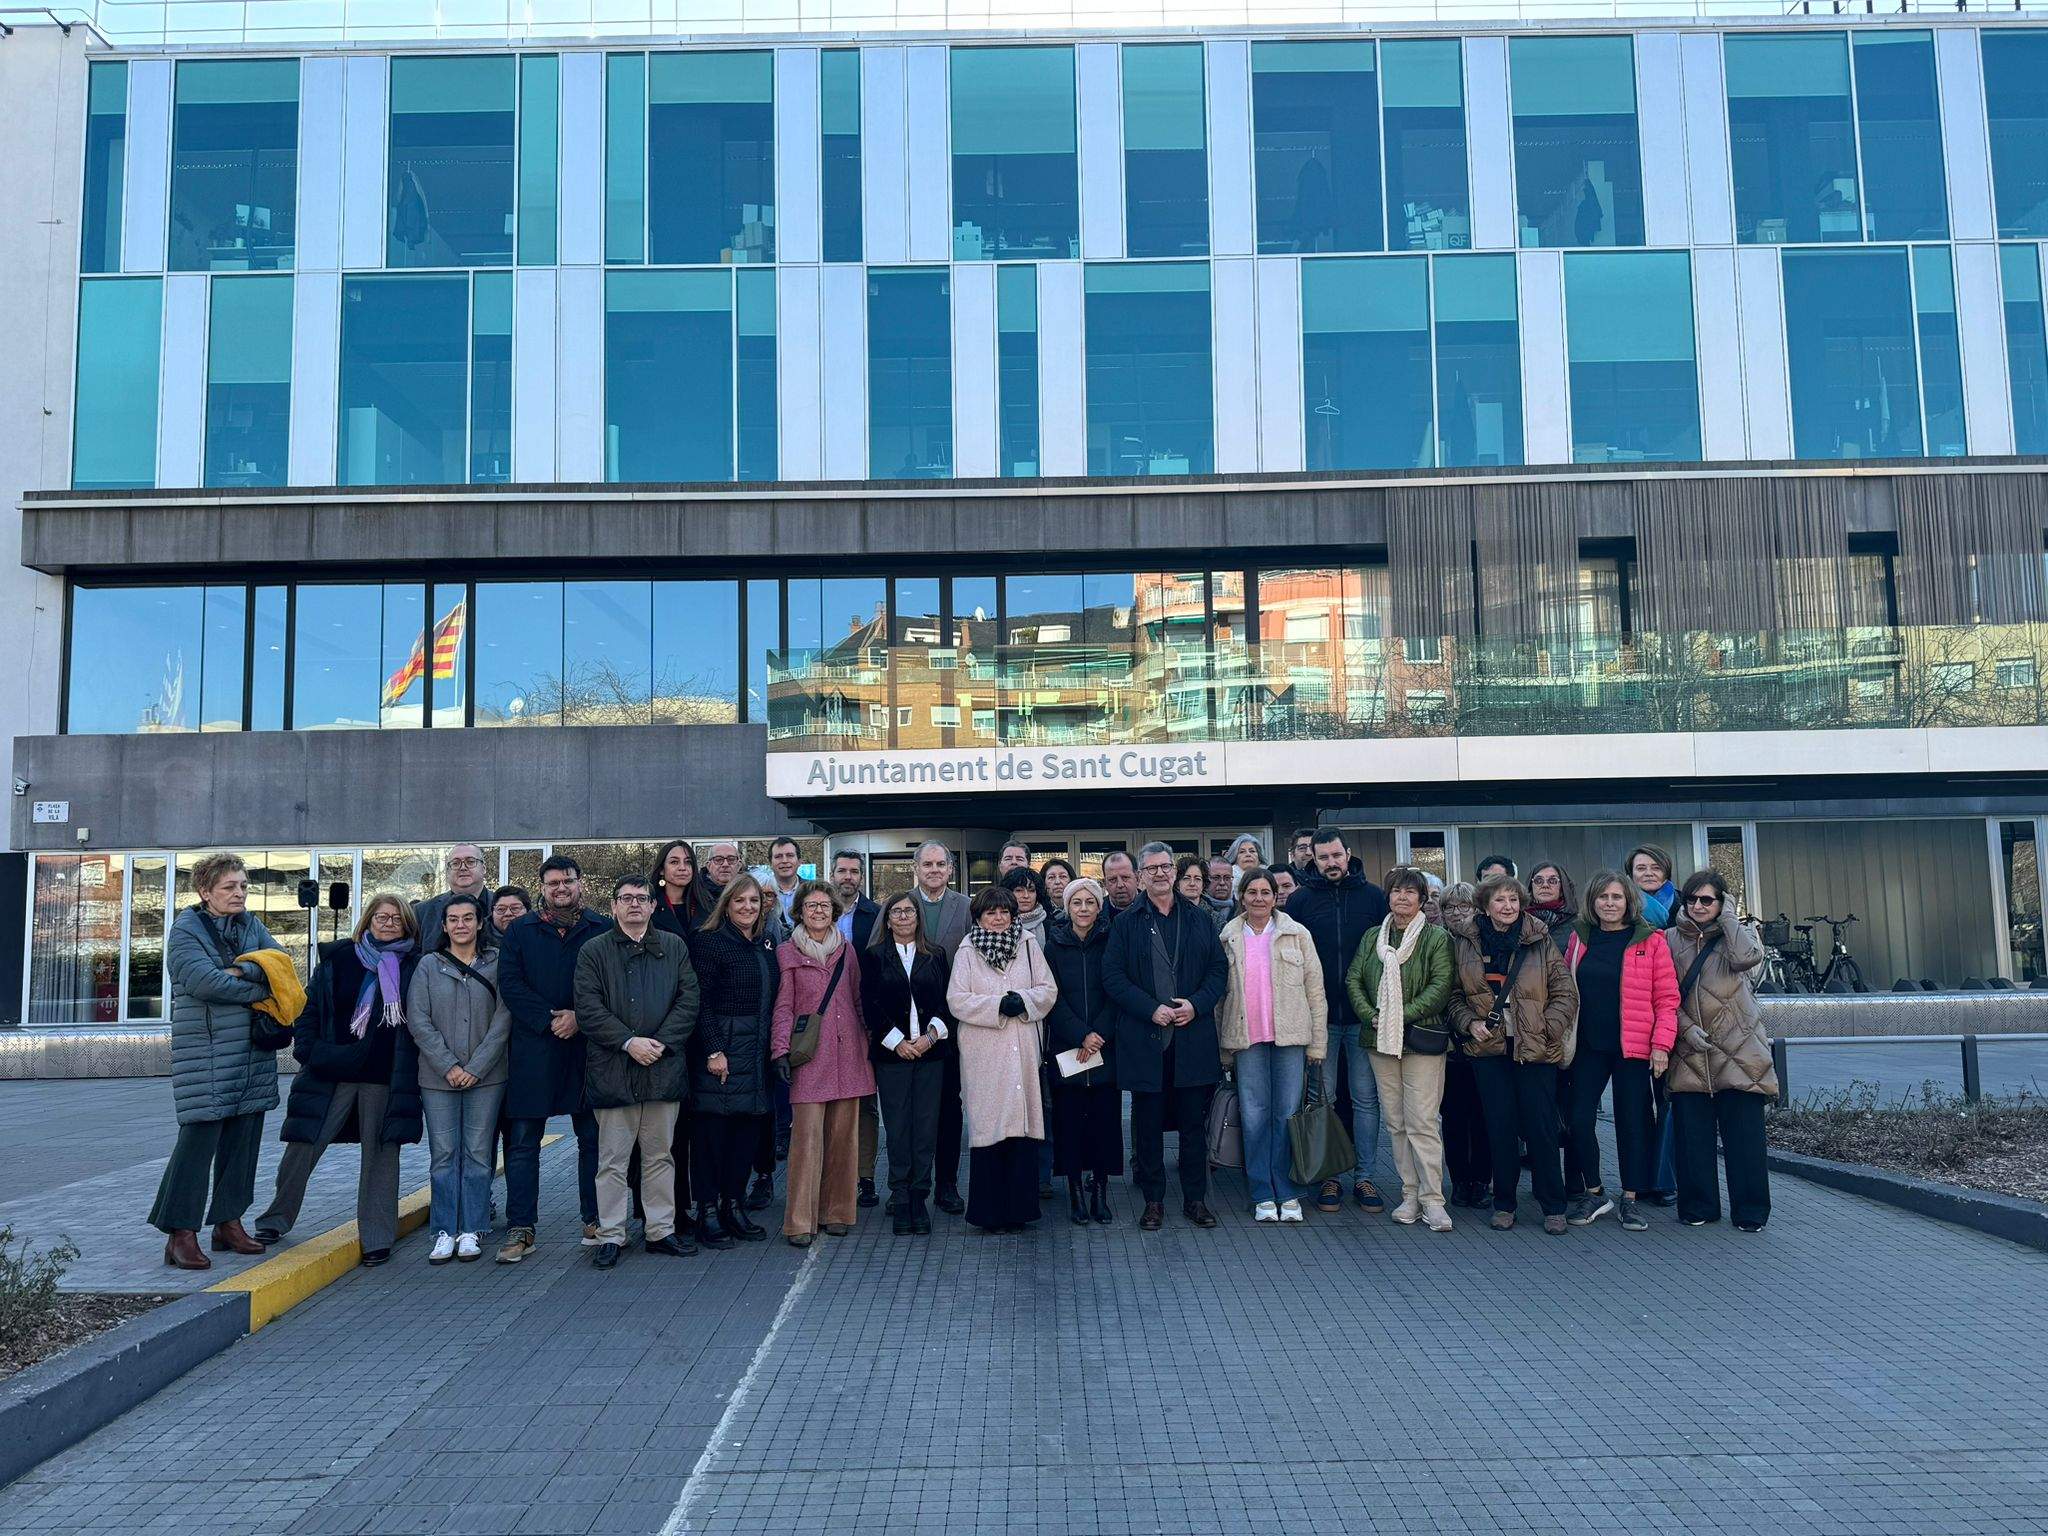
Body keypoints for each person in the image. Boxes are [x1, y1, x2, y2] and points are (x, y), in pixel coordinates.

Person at [252, 892, 423, 1267]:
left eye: (397, 918)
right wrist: (309, 1052)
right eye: (382, 917)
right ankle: (274, 1220)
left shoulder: (415, 964)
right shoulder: (340, 958)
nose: (389, 923)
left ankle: (377, 1238)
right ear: (368, 920)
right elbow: (310, 1008)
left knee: (381, 1160)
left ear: (408, 925)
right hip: (330, 1073)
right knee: (302, 1148)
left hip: (385, 1077)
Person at [151, 853, 285, 1270]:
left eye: (243, 886)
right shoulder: (185, 931)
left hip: (252, 1054)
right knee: (197, 1144)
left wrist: (240, 972)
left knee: (243, 1142)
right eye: (230, 887)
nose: (239, 893)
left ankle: (229, 1222)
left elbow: (281, 967)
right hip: (206, 1055)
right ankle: (180, 1233)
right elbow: (205, 982)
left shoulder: (251, 925)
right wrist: (258, 983)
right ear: (205, 891)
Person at [1103, 841, 1230, 1231]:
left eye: (1165, 867)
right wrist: (1149, 1009)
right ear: (1141, 876)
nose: (1159, 874)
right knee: (1148, 1126)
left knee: (1193, 1125)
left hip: (1192, 1037)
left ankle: (1195, 1200)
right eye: (1151, 868)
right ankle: (1153, 1200)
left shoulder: (1200, 919)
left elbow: (1218, 971)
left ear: (1174, 872)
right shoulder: (1126, 923)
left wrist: (1196, 1004)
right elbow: (1113, 977)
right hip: (1146, 1038)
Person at [574, 875, 700, 1268]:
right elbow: (588, 1008)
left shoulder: (673, 947)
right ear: (613, 906)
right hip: (613, 1070)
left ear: (652, 906)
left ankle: (660, 1231)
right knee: (612, 1159)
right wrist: (630, 1042)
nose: (634, 904)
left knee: (660, 1155)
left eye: (641, 898)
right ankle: (611, 1234)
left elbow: (689, 999)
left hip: (663, 1067)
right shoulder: (594, 950)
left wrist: (659, 1043)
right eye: (625, 898)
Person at [494, 855, 612, 1265]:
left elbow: (610, 983)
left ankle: (595, 1220)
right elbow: (511, 984)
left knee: (592, 1140)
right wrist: (550, 1021)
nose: (561, 888)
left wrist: (580, 1017)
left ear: (580, 883)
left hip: (586, 1049)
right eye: (553, 883)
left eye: (568, 881)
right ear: (542, 888)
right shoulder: (520, 930)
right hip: (534, 1049)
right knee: (523, 1143)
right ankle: (521, 1228)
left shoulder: (602, 927)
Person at [1445, 875, 1578, 1235]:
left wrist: (1547, 1028)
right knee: (1499, 1128)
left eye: (1514, 900)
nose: (1508, 907)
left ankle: (1553, 1205)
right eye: (1500, 900)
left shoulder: (1539, 938)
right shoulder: (1465, 942)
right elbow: (1454, 996)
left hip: (1535, 1047)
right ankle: (1504, 1203)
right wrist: (1469, 1023)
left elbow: (1565, 992)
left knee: (1541, 1128)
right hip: (1489, 1049)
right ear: (1485, 906)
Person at [1560, 870, 1678, 1233]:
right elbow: (1565, 989)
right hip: (1588, 1046)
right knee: (1579, 1120)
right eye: (1603, 897)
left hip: (1633, 1048)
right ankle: (1595, 1192)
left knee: (1633, 1123)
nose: (1609, 904)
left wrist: (1661, 1045)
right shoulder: (1579, 939)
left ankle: (1630, 1197)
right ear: (1592, 901)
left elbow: (1667, 999)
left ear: (1628, 902)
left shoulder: (1652, 941)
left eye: (1616, 897)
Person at [1283, 828, 1390, 1215]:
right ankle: (1328, 1176)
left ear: (1348, 853)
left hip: (1364, 1018)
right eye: (1323, 857)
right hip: (1320, 1019)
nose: (1331, 863)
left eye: (1336, 855)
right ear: (1312, 858)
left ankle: (1365, 1176)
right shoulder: (1299, 901)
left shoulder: (1374, 898)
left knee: (1365, 1100)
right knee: (1321, 1101)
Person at [1347, 867, 1457, 1232]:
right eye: (1396, 891)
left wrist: (1399, 1015)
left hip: (1420, 1038)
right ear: (1388, 897)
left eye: (1411, 892)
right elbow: (1354, 979)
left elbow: (1441, 985)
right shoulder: (1372, 937)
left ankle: (1433, 1200)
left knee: (1422, 1122)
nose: (1403, 897)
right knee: (1396, 1123)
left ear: (1422, 899)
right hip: (1380, 1039)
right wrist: (1371, 1015)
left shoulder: (1436, 937)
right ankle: (1409, 1195)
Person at [1665, 871, 1775, 1231]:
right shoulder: (1668, 939)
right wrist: (1685, 1028)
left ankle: (1751, 1211)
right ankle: (1698, 1206)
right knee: (1692, 1137)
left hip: (1739, 1047)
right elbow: (1662, 995)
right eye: (1692, 899)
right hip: (1690, 1049)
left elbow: (1747, 959)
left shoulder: (1738, 935)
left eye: (1707, 900)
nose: (1698, 906)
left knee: (1745, 1138)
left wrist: (1729, 918)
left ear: (1722, 901)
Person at [946, 885, 1058, 1233]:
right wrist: (997, 1006)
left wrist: (1022, 1001)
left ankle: (1020, 1211)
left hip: (1021, 1047)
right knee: (990, 1129)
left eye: (1004, 912)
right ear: (979, 917)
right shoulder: (967, 950)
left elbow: (1048, 989)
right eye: (990, 912)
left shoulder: (1028, 945)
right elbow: (957, 999)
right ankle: (988, 1213)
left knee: (1020, 1128)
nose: (998, 918)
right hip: (984, 1052)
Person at [404, 892, 508, 1266]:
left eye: (468, 918)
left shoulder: (497, 962)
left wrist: (476, 1066)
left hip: (487, 1076)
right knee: (444, 1154)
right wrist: (448, 1065)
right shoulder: (428, 965)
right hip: (437, 1078)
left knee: (478, 1153)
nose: (461, 925)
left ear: (480, 923)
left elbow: (503, 1019)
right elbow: (418, 1019)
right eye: (453, 919)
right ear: (444, 926)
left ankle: (473, 1228)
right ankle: (444, 1230)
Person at [1217, 871, 1326, 1223]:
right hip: (1246, 1039)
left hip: (1290, 1038)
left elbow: (1315, 992)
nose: (1259, 898)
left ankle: (1287, 1190)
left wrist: (1318, 1045)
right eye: (1252, 892)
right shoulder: (1228, 936)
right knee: (1254, 1116)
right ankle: (1262, 1191)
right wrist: (1224, 1048)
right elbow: (1220, 999)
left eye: (1266, 892)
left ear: (1276, 896)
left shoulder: (1297, 934)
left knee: (1286, 1114)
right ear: (1242, 896)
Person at [772, 881, 876, 1246]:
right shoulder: (786, 952)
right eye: (811, 905)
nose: (818, 911)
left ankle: (838, 1212)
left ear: (834, 911)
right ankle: (800, 1220)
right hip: (810, 1056)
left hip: (848, 1054)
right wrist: (779, 1050)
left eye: (825, 905)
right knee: (806, 1143)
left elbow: (858, 999)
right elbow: (783, 1006)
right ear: (799, 911)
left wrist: (869, 1044)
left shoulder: (847, 950)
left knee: (843, 1141)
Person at [684, 872, 778, 1249]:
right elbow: (700, 1000)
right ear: (726, 904)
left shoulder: (765, 944)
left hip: (756, 1055)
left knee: (745, 1136)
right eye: (739, 900)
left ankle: (733, 1205)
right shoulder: (709, 941)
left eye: (754, 900)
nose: (747, 907)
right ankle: (707, 1212)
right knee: (712, 1137)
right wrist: (713, 1050)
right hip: (721, 1055)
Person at [859, 891, 953, 1235]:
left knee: (925, 1127)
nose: (902, 916)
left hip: (931, 1053)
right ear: (887, 920)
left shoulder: (936, 955)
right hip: (892, 1055)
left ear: (918, 917)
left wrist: (930, 1037)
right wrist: (897, 1042)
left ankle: (918, 1197)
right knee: (898, 1127)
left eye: (908, 911)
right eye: (896, 912)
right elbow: (869, 1004)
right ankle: (899, 1196)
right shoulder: (873, 956)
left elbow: (947, 1002)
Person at [1042, 878, 1120, 1225]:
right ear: (1067, 907)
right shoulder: (1054, 945)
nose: (1083, 908)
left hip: (1105, 1047)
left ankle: (1100, 1191)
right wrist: (1080, 1034)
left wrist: (1097, 1034)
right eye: (1077, 902)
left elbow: (1117, 989)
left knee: (1104, 1124)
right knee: (1069, 1124)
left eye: (1090, 902)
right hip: (1068, 1046)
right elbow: (1051, 997)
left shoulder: (1112, 940)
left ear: (1099, 907)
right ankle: (1075, 1192)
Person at [909, 840, 972, 1215]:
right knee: (912, 1110)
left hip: (952, 1024)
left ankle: (947, 1185)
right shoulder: (899, 905)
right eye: (927, 864)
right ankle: (910, 1185)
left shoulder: (965, 907)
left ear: (950, 869)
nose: (934, 870)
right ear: (916, 868)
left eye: (940, 864)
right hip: (908, 1026)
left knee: (949, 1107)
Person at [1627, 843, 1683, 1206]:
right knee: (1637, 1104)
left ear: (1666, 870)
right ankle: (1640, 1177)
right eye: (1640, 868)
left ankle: (1664, 1179)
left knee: (1669, 1099)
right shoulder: (1621, 910)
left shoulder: (1685, 907)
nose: (1648, 873)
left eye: (1654, 867)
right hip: (1635, 1016)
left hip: (1675, 1013)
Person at [831, 850, 883, 1208]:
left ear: (861, 877)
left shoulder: (875, 915)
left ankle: (865, 1177)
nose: (847, 877)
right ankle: (835, 1176)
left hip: (863, 1017)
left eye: (854, 871)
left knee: (865, 1102)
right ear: (832, 873)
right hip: (824, 1019)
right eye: (842, 871)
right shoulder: (818, 910)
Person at [1433, 881, 1490, 1209]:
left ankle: (1481, 1180)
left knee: (1482, 1115)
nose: (1456, 913)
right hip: (1448, 1044)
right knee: (1453, 1116)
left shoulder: (1484, 940)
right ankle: (1459, 1180)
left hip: (1481, 1039)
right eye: (1449, 907)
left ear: (1476, 908)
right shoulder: (1438, 940)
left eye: (1463, 906)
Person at [414, 844, 492, 954]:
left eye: (470, 862)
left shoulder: (505, 908)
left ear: (484, 868)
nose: (463, 867)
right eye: (455, 863)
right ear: (447, 872)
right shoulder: (423, 911)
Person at [650, 839, 704, 939]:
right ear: (662, 870)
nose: (682, 868)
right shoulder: (649, 907)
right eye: (674, 862)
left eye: (688, 862)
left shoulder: (705, 905)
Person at [1628, 845, 1680, 929]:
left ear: (1667, 873)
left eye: (1656, 868)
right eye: (1641, 868)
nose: (1649, 873)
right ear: (1631, 875)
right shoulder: (1619, 906)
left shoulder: (1687, 904)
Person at [1001, 865, 1049, 941]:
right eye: (1019, 890)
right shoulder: (998, 923)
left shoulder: (1051, 927)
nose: (1026, 896)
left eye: (1031, 890)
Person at [766, 836, 806, 926]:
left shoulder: (812, 890)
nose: (784, 861)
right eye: (778, 856)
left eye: (790, 855)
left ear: (799, 861)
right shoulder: (761, 891)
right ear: (770, 863)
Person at [1099, 849, 1140, 922]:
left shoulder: (1155, 908)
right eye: (1113, 879)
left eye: (1125, 878)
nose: (1120, 885)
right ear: (1105, 883)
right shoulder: (1096, 913)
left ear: (1137, 878)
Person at [1204, 858, 1237, 927]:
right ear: (1206, 880)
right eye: (1216, 878)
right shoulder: (1196, 909)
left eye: (1227, 878)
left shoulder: (1243, 910)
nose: (1222, 883)